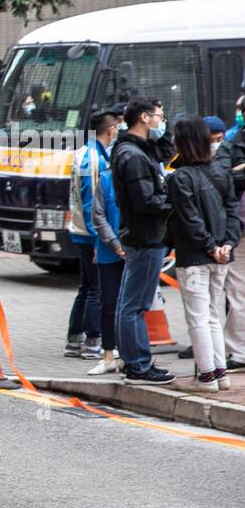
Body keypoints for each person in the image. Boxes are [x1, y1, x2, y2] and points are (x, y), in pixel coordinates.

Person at [166, 116, 240, 392]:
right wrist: (226, 245)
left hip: (195, 256)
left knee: (197, 315)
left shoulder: (180, 177)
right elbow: (233, 211)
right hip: (222, 254)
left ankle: (207, 375)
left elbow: (190, 219)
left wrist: (210, 246)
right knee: (211, 314)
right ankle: (219, 373)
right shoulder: (220, 171)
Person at [112, 98, 173, 385]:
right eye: (160, 116)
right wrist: (174, 201)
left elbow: (166, 152)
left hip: (141, 235)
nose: (163, 121)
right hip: (145, 236)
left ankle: (134, 361)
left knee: (130, 302)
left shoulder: (136, 149)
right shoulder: (133, 156)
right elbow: (146, 201)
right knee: (134, 305)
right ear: (145, 118)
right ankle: (137, 364)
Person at [77, 113, 126, 374]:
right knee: (104, 299)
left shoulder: (90, 155)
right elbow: (95, 212)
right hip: (106, 246)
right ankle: (102, 349)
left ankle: (125, 353)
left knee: (125, 304)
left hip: (126, 248)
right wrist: (110, 243)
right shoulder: (101, 171)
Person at [64, 122, 109, 360]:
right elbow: (91, 200)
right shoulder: (93, 158)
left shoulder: (83, 152)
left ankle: (74, 340)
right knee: (95, 289)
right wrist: (97, 238)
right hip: (89, 233)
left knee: (86, 287)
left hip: (80, 229)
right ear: (110, 129)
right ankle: (93, 342)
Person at [214, 120, 245, 370]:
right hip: (239, 229)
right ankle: (239, 352)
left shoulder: (230, 146)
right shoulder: (229, 146)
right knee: (238, 291)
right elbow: (222, 180)